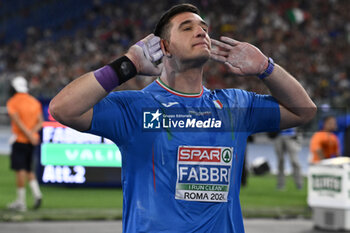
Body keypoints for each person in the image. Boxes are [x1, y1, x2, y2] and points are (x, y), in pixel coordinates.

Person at [49, 4, 316, 232]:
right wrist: (127, 64)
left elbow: (304, 110)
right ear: (164, 46)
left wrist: (266, 68)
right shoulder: (137, 108)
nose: (201, 31)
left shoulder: (234, 105)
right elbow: (63, 109)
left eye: (203, 28)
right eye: (187, 28)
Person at [6, 76, 43, 212]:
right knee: (29, 169)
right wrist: (32, 134)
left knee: (20, 170)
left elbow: (18, 123)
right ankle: (37, 194)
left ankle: (21, 202)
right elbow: (40, 121)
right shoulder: (34, 101)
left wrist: (27, 135)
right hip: (32, 140)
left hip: (20, 140)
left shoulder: (13, 102)